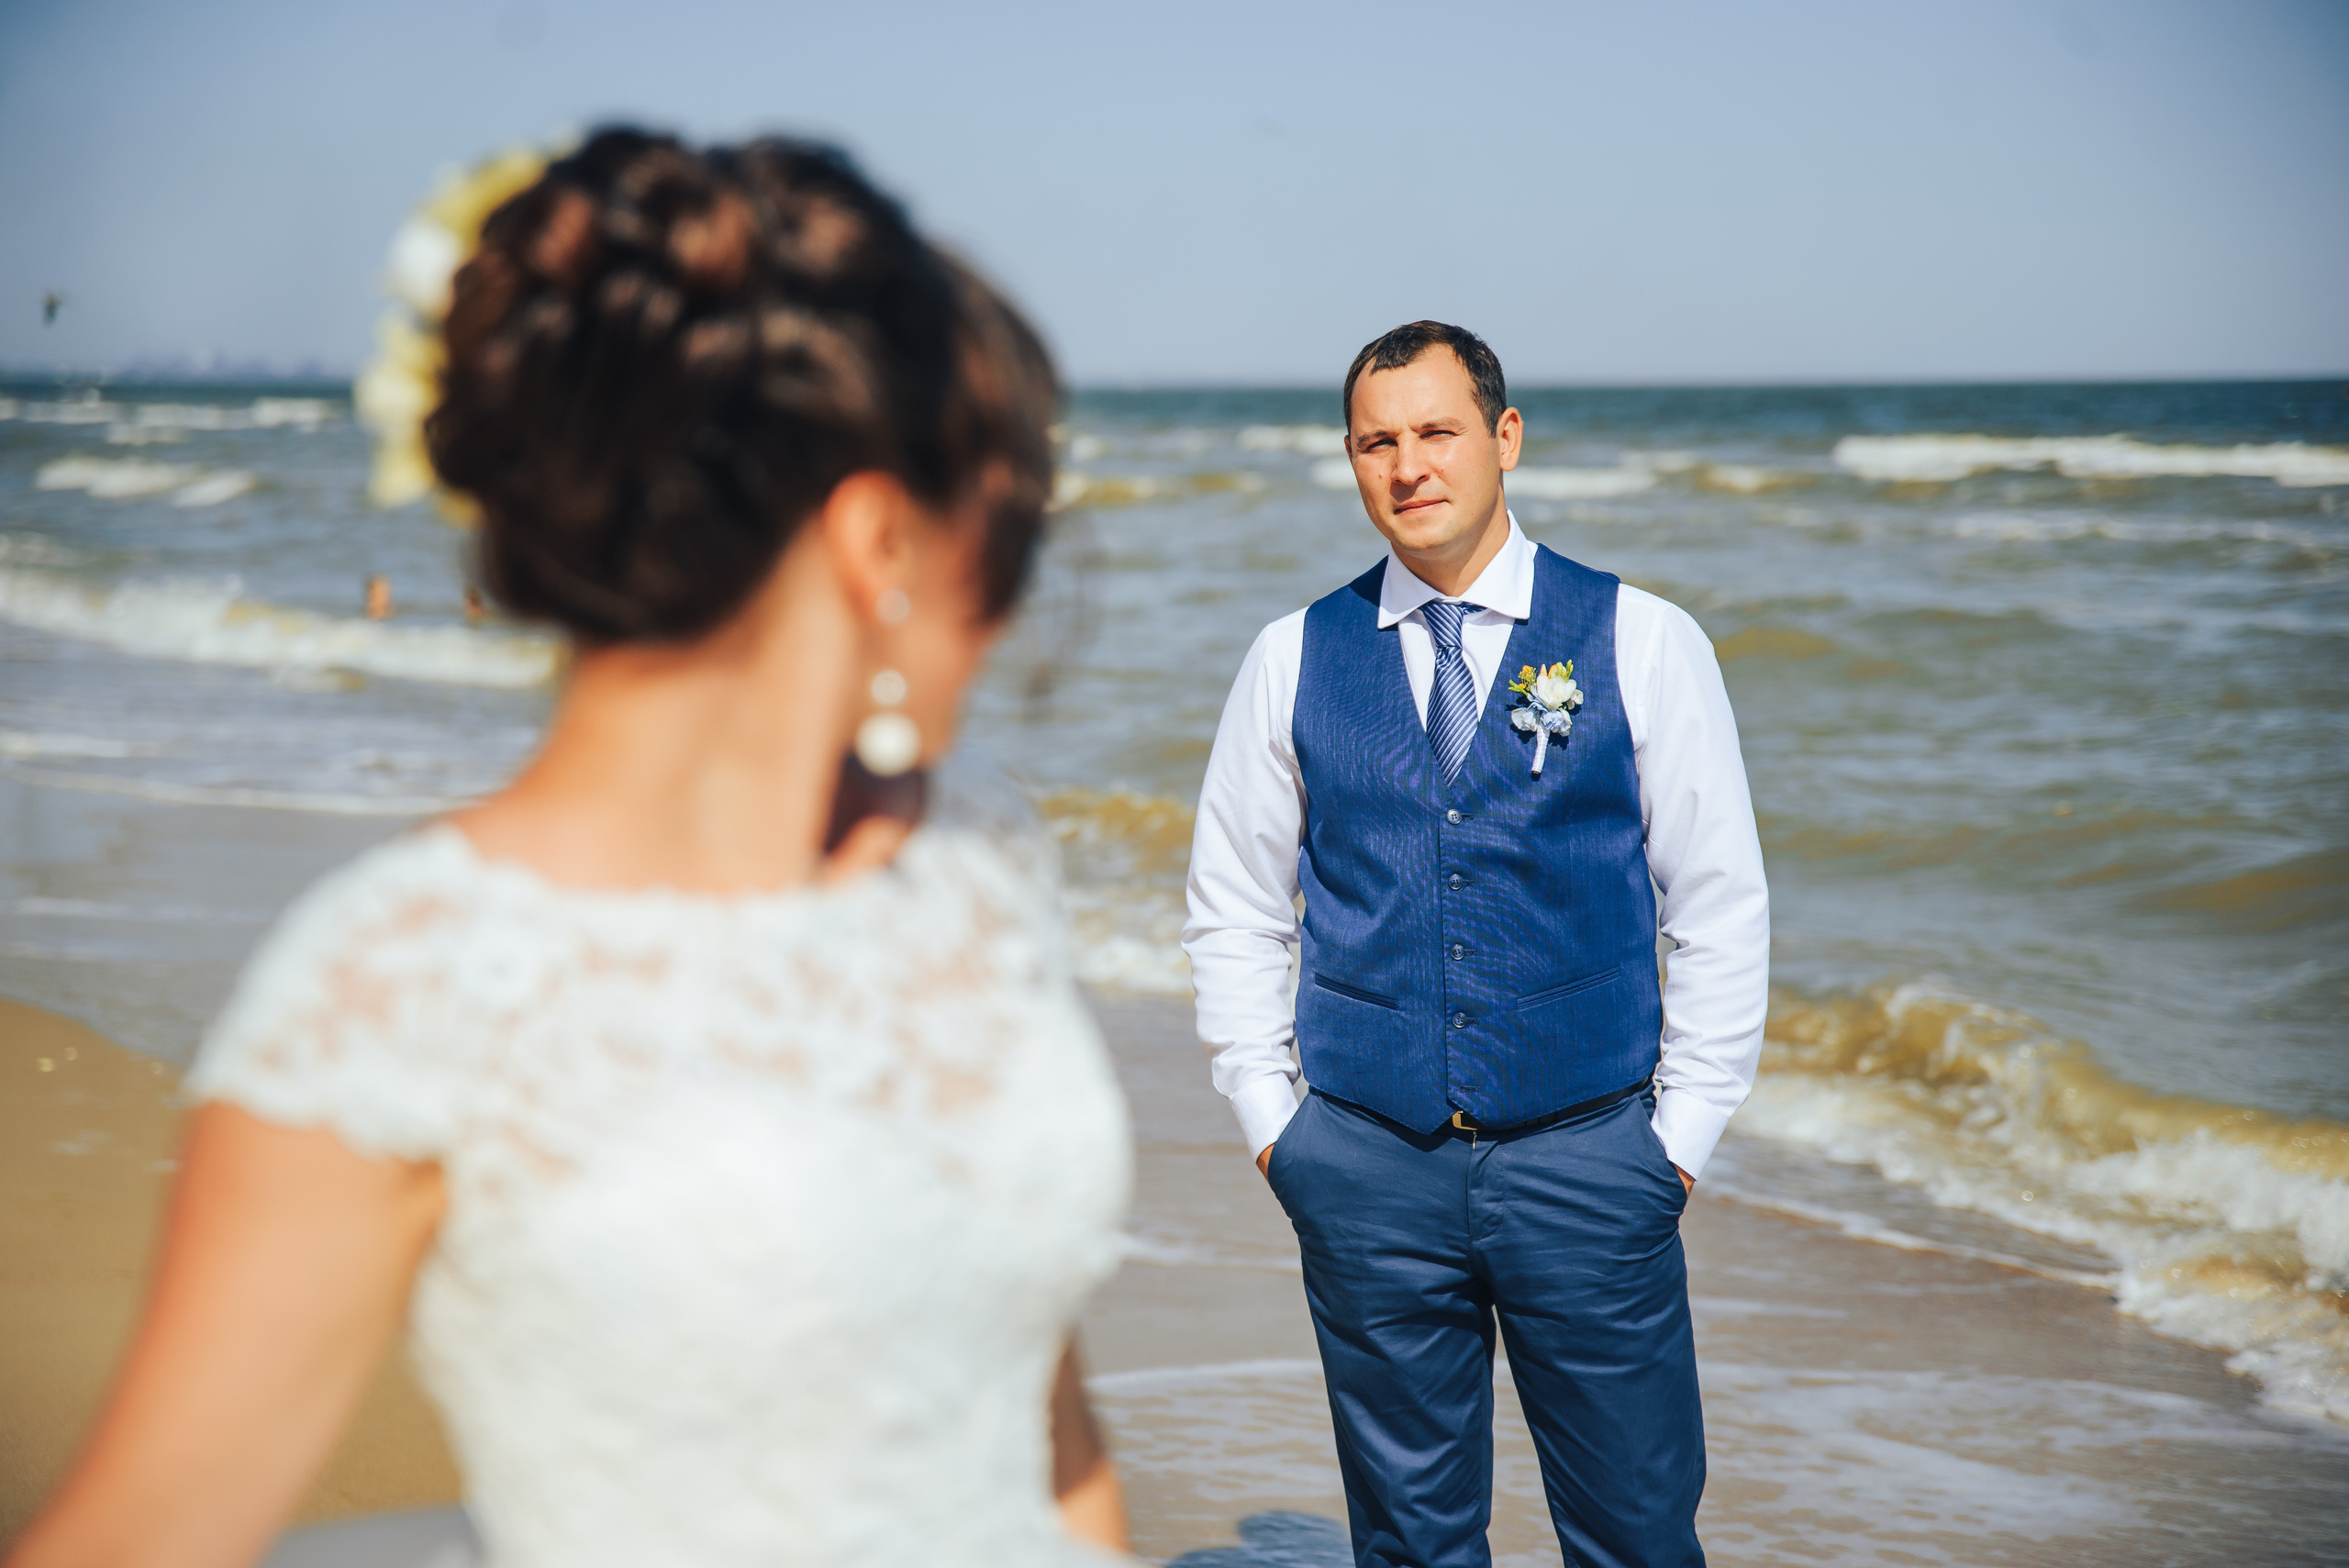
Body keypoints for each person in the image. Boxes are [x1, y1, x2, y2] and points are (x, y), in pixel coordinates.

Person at [10, 128, 1133, 1568]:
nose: (1008, 617)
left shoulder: (973, 856)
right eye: (1004, 540)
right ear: (878, 545)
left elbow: (1044, 1436)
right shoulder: (405, 982)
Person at [1183, 322, 1768, 1568]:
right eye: (1376, 441)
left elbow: (1716, 900)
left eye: (1435, 431)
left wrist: (1678, 1142)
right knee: (1409, 1544)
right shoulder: (1291, 657)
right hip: (1364, 1164)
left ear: (1503, 438)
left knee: (1639, 1535)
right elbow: (1233, 899)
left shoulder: (1642, 639)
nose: (1408, 465)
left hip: (1590, 1161)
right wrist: (1275, 1123)